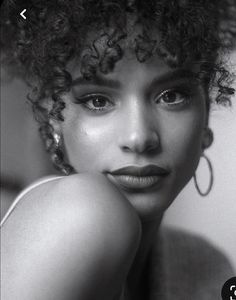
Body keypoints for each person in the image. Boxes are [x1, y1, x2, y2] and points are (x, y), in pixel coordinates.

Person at [1, 0, 236, 299]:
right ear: (53, 118)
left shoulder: (206, 266)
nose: (139, 137)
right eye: (98, 101)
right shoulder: (77, 213)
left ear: (206, 114)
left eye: (172, 96)